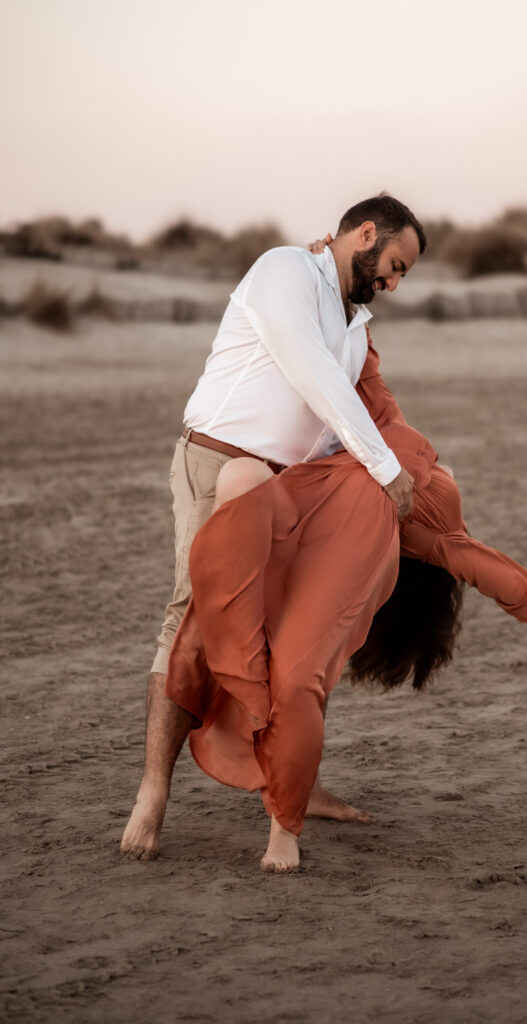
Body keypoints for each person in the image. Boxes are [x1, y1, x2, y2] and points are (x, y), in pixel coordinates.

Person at [164, 332, 527, 873]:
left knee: (298, 673)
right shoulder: (387, 419)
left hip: (339, 532)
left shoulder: (433, 529)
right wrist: (347, 307)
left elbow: (509, 585)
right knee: (243, 485)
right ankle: (286, 772)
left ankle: (285, 829)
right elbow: (360, 366)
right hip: (302, 504)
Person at [121, 193, 427, 860]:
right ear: (364, 233)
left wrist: (421, 471)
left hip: (291, 488)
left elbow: (365, 407)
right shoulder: (284, 270)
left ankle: (295, 783)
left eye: (403, 274)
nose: (394, 282)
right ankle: (152, 794)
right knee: (192, 622)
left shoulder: (353, 322)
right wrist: (381, 466)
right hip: (221, 462)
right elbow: (309, 373)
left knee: (301, 636)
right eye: (394, 264)